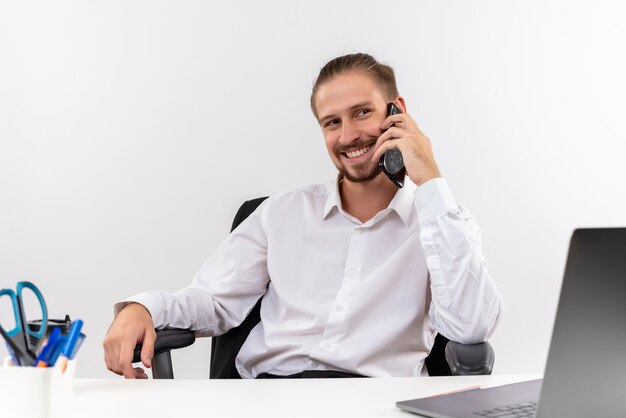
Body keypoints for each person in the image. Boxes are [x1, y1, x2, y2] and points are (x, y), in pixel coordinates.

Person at [103, 53, 503, 379]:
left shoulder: (439, 222)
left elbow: (470, 328)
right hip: (270, 399)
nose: (348, 136)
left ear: (397, 112)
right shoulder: (281, 213)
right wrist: (144, 307)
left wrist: (429, 177)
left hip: (371, 403)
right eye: (332, 122)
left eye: (362, 113)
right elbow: (213, 301)